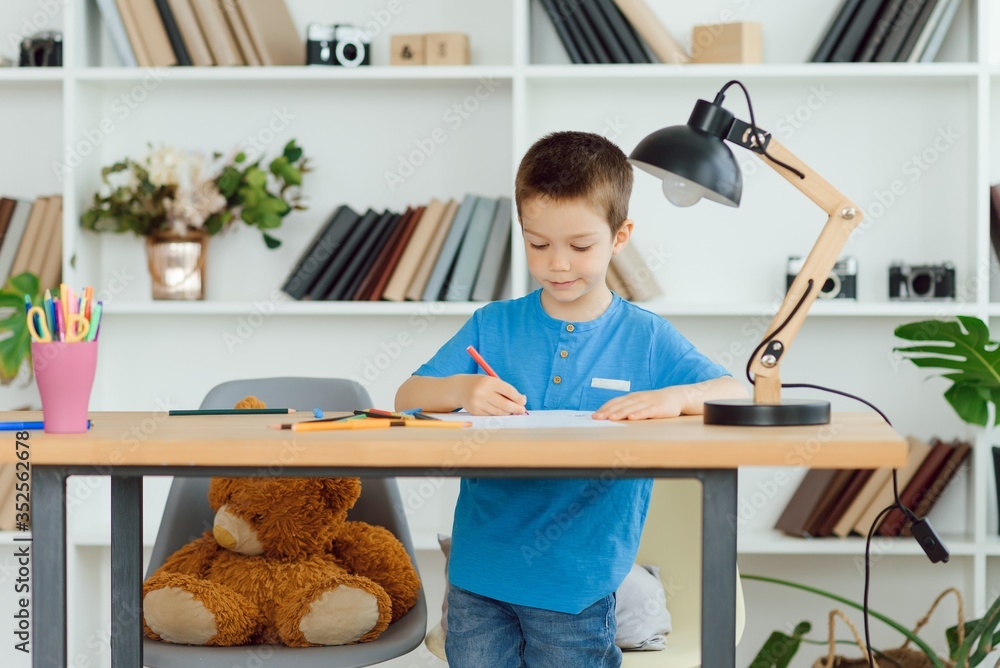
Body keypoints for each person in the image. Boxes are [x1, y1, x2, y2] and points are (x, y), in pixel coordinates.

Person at [395, 131, 746, 667]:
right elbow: (407, 396)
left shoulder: (645, 339)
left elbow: (736, 391)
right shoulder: (493, 326)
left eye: (580, 247)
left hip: (578, 581)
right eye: (538, 244)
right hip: (478, 575)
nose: (558, 264)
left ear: (620, 235)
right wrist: (463, 389)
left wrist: (674, 397)